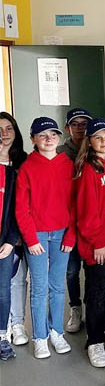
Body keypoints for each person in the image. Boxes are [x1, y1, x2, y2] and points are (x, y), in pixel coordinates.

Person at [16, 117, 75, 359]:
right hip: (37, 236)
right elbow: (22, 208)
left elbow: (75, 203)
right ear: (33, 140)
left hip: (62, 233)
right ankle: (39, 336)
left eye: (53, 134)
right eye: (42, 135)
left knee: (57, 286)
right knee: (39, 288)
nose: (48, 138)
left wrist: (71, 234)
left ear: (59, 137)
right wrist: (31, 239)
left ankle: (56, 331)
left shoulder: (67, 164)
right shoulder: (28, 168)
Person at [75, 118, 105, 368]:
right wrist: (97, 242)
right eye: (98, 137)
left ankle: (102, 329)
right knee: (95, 293)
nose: (104, 141)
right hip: (98, 245)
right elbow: (86, 212)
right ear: (89, 141)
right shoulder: (88, 170)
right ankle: (94, 342)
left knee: (103, 288)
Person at [57, 108, 93, 334]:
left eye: (84, 124)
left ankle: (94, 311)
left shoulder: (97, 148)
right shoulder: (60, 153)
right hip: (66, 220)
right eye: (75, 124)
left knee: (92, 270)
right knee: (71, 270)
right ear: (67, 128)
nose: (80, 128)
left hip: (89, 220)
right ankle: (75, 307)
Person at [0, 112, 28, 346]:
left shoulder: (24, 160)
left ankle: (18, 323)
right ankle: (4, 323)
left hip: (20, 232)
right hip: (2, 232)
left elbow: (26, 201)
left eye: (9, 128)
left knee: (18, 279)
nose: (4, 134)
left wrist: (17, 235)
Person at [0, 154, 20, 360]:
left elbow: (16, 210)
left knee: (2, 291)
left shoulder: (9, 175)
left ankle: (2, 336)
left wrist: (10, 240)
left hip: (4, 243)